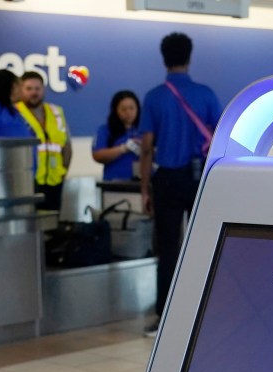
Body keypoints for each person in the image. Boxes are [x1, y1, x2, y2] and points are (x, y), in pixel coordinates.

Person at [139, 33, 222, 336]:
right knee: (205, 246)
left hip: (168, 180)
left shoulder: (154, 97)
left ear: (164, 57)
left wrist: (145, 187)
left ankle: (164, 317)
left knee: (168, 249)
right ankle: (206, 313)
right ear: (189, 56)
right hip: (200, 178)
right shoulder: (206, 94)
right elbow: (221, 136)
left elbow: (147, 146)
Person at [16, 71, 73, 212]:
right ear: (20, 90)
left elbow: (67, 145)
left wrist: (63, 172)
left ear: (43, 89)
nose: (34, 93)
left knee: (52, 225)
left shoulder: (56, 111)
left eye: (37, 88)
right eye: (29, 89)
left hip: (55, 180)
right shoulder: (15, 113)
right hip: (28, 182)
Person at [92, 90, 142, 181]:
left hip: (143, 182)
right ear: (116, 111)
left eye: (132, 108)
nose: (128, 112)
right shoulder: (105, 130)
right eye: (123, 109)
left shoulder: (146, 129)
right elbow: (97, 155)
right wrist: (123, 148)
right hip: (115, 182)